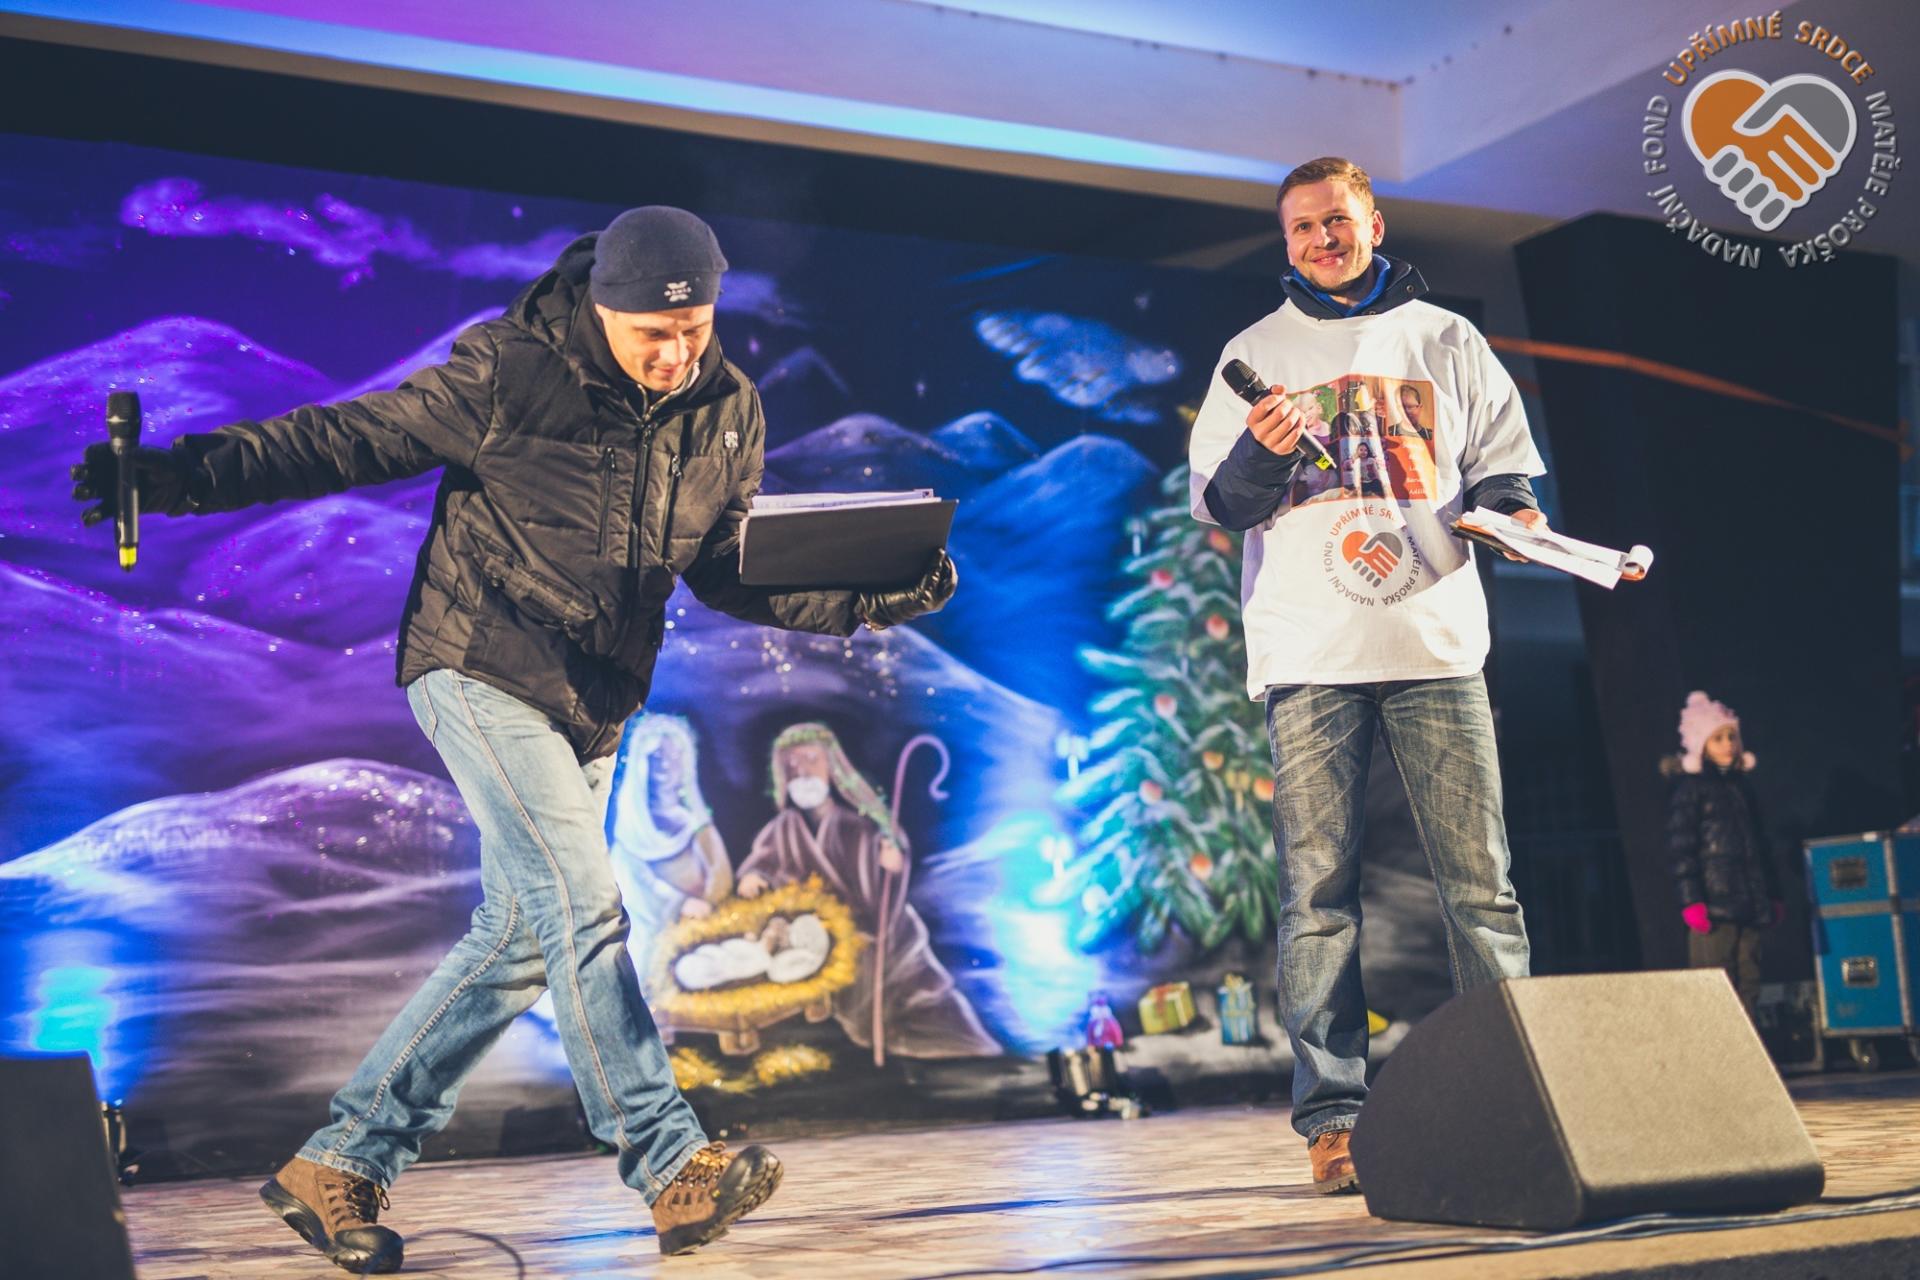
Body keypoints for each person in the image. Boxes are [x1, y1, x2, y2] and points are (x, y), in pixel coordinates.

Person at [70, 205, 957, 1270]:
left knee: (520, 942)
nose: (677, 354)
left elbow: (730, 570)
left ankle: (342, 1160)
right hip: (480, 663)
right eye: (654, 334)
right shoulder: (511, 369)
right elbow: (349, 436)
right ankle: (669, 1162)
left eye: (695, 330)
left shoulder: (727, 410)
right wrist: (182, 476)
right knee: (582, 907)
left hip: (594, 698)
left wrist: (867, 597)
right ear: (604, 309)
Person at [1187, 157, 1543, 1195]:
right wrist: (1262, 452)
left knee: (1480, 887)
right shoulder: (1253, 353)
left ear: (1373, 223)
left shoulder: (1447, 338)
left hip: (1436, 642)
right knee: (1317, 895)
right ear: (1285, 240)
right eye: (1301, 227)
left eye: (1336, 220)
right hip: (1311, 654)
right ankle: (1334, 1120)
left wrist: (1514, 515)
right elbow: (1221, 505)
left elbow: (1504, 470)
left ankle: (1513, 1096)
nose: (1321, 240)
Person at [735, 723, 999, 1059]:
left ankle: (969, 1048)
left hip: (885, 938)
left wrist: (892, 862)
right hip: (825, 943)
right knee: (857, 1022)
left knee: (924, 1006)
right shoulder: (783, 830)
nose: (802, 772)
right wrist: (753, 876)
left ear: (832, 768)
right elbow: (764, 860)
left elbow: (886, 870)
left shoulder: (858, 828)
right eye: (792, 766)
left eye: (811, 760)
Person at [1665, 691, 1781, 1017]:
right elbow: (1682, 851)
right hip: (1714, 908)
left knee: (1749, 981)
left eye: (1732, 736)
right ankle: (1717, 1047)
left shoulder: (1741, 788)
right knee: (1716, 986)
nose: (1728, 744)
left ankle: (1748, 1043)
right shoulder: (1692, 789)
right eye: (1718, 738)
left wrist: (1772, 895)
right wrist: (1692, 901)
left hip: (1749, 905)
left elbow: (1758, 846)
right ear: (1702, 744)